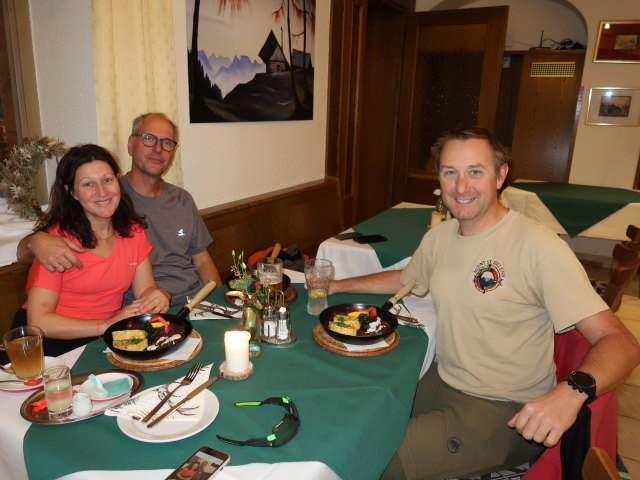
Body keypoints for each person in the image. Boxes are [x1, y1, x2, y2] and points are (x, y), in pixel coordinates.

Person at [330, 127, 640, 480]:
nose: (461, 187)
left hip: (505, 409)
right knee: (356, 424)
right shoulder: (441, 234)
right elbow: (407, 280)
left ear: (501, 174)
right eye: (450, 172)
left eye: (475, 171)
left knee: (377, 464)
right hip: (442, 379)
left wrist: (570, 392)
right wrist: (337, 285)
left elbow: (622, 343)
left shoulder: (539, 247)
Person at [17, 113, 222, 306]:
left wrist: (219, 303)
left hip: (197, 300)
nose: (158, 148)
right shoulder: (104, 200)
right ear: (131, 145)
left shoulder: (182, 199)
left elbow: (202, 260)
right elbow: (35, 248)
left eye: (167, 143)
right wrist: (36, 240)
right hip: (147, 307)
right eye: (149, 138)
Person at [16, 144, 169, 356]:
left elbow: (145, 291)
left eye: (107, 180)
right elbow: (39, 322)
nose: (102, 192)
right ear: (72, 193)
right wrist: (104, 325)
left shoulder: (132, 230)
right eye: (88, 184)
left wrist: (157, 296)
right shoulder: (56, 244)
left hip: (105, 336)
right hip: (52, 345)